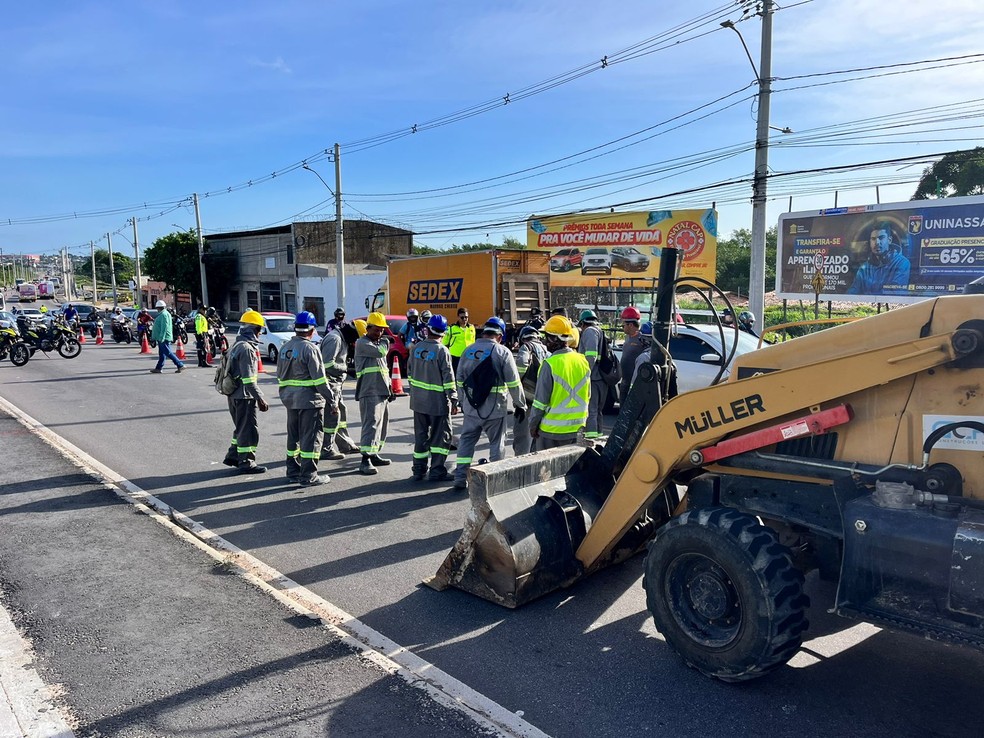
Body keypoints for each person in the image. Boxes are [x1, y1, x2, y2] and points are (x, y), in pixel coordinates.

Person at [453, 317, 526, 490]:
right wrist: (520, 404)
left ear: (484, 332)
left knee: (466, 441)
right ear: (500, 336)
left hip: (472, 409)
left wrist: (464, 402)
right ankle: (496, 482)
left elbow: (459, 379)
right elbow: (514, 383)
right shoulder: (502, 352)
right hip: (495, 409)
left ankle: (460, 477)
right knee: (497, 444)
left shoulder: (468, 350)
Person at [276, 311, 337, 487]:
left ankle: (293, 471)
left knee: (293, 437)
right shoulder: (310, 349)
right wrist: (332, 401)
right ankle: (309, 475)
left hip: (290, 399)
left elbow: (280, 374)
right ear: (311, 330)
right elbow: (320, 380)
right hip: (309, 401)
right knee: (310, 437)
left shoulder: (285, 348)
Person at [407, 314, 458, 482]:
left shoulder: (416, 348)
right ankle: (437, 471)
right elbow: (448, 378)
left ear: (428, 329)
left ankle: (418, 470)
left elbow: (409, 373)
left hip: (418, 402)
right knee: (440, 438)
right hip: (437, 404)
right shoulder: (442, 350)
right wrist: (454, 399)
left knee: (421, 437)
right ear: (443, 333)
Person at [529, 315, 590, 450]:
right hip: (577, 429)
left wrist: (533, 426)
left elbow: (540, 403)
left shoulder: (549, 364)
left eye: (546, 337)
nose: (545, 341)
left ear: (554, 338)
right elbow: (588, 395)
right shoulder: (583, 361)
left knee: (545, 470)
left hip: (551, 432)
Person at [221, 310, 270, 474]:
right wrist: (261, 399)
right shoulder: (247, 349)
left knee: (240, 428)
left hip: (234, 395)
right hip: (243, 397)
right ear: (254, 329)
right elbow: (249, 380)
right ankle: (246, 462)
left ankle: (234, 455)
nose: (260, 333)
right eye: (260, 329)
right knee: (248, 429)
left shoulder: (236, 344)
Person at [355, 312, 394, 475]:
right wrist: (385, 341)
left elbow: (384, 369)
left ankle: (374, 453)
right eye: (377, 330)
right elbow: (381, 353)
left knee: (381, 424)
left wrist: (390, 387)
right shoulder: (362, 343)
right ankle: (365, 460)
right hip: (369, 390)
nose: (380, 333)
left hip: (381, 389)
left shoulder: (377, 343)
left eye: (382, 330)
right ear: (368, 328)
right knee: (371, 424)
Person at [319, 318, 359, 460]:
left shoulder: (341, 338)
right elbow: (327, 364)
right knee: (332, 416)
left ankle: (345, 444)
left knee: (341, 413)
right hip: (330, 384)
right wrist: (346, 370)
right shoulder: (335, 339)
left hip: (336, 383)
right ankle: (326, 449)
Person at [847, 222, 911, 295]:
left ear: (889, 240)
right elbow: (854, 290)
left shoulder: (902, 263)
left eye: (881, 238)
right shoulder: (864, 268)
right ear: (870, 242)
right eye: (873, 239)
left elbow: (895, 292)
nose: (877, 242)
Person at [513, 325, 548, 455]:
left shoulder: (526, 347)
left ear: (523, 338)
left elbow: (521, 366)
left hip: (527, 399)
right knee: (536, 436)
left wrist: (518, 382)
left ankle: (520, 465)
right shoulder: (546, 349)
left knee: (522, 437)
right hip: (542, 398)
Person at [576, 309, 607, 440]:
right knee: (597, 411)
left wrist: (584, 375)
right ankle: (598, 436)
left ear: (583, 323)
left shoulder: (590, 331)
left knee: (591, 411)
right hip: (600, 378)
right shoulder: (599, 331)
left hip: (593, 378)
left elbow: (591, 356)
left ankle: (590, 439)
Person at [617, 306, 649, 405]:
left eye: (623, 325)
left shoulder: (643, 339)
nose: (622, 327)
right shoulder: (628, 337)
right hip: (625, 382)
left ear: (630, 325)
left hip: (634, 385)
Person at [149, 300, 185, 374]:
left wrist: (162, 337)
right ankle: (159, 368)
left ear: (158, 308)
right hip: (161, 337)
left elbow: (164, 327)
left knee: (168, 352)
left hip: (164, 338)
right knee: (162, 354)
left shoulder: (164, 315)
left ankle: (180, 365)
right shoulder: (163, 314)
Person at [443, 307, 476, 374]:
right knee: (455, 375)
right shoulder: (451, 328)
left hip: (468, 357)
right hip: (455, 357)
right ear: (458, 317)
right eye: (462, 317)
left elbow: (473, 342)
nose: (464, 319)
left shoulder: (471, 328)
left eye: (466, 317)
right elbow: (444, 342)